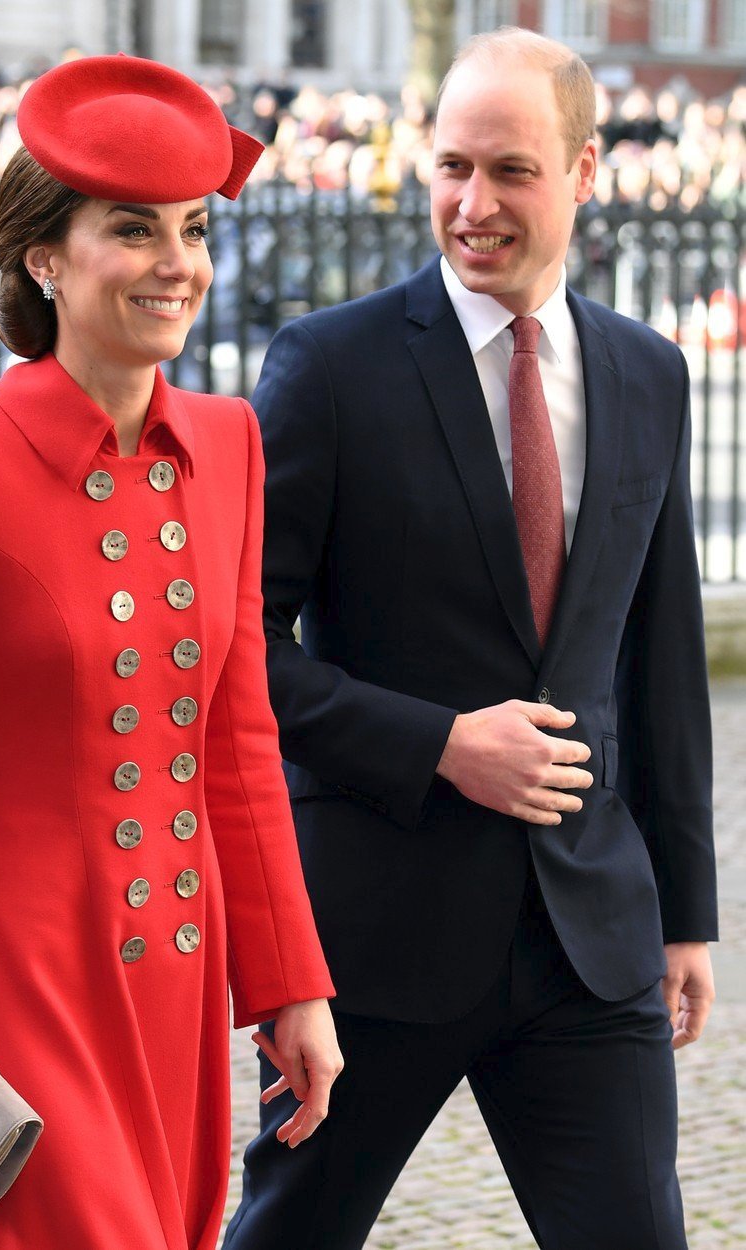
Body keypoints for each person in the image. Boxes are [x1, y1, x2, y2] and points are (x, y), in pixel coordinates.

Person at [0, 54, 341, 1250]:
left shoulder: (230, 444)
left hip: (174, 983)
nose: (178, 264)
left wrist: (292, 984)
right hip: (14, 975)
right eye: (134, 229)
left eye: (194, 229)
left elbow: (242, 745)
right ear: (45, 257)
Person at [224, 27, 716, 1250]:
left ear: (587, 172)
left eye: (510, 170)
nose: (472, 203)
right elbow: (235, 645)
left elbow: (661, 662)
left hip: (588, 946)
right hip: (372, 946)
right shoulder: (329, 367)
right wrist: (438, 742)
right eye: (451, 167)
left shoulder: (651, 373)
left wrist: (685, 912)